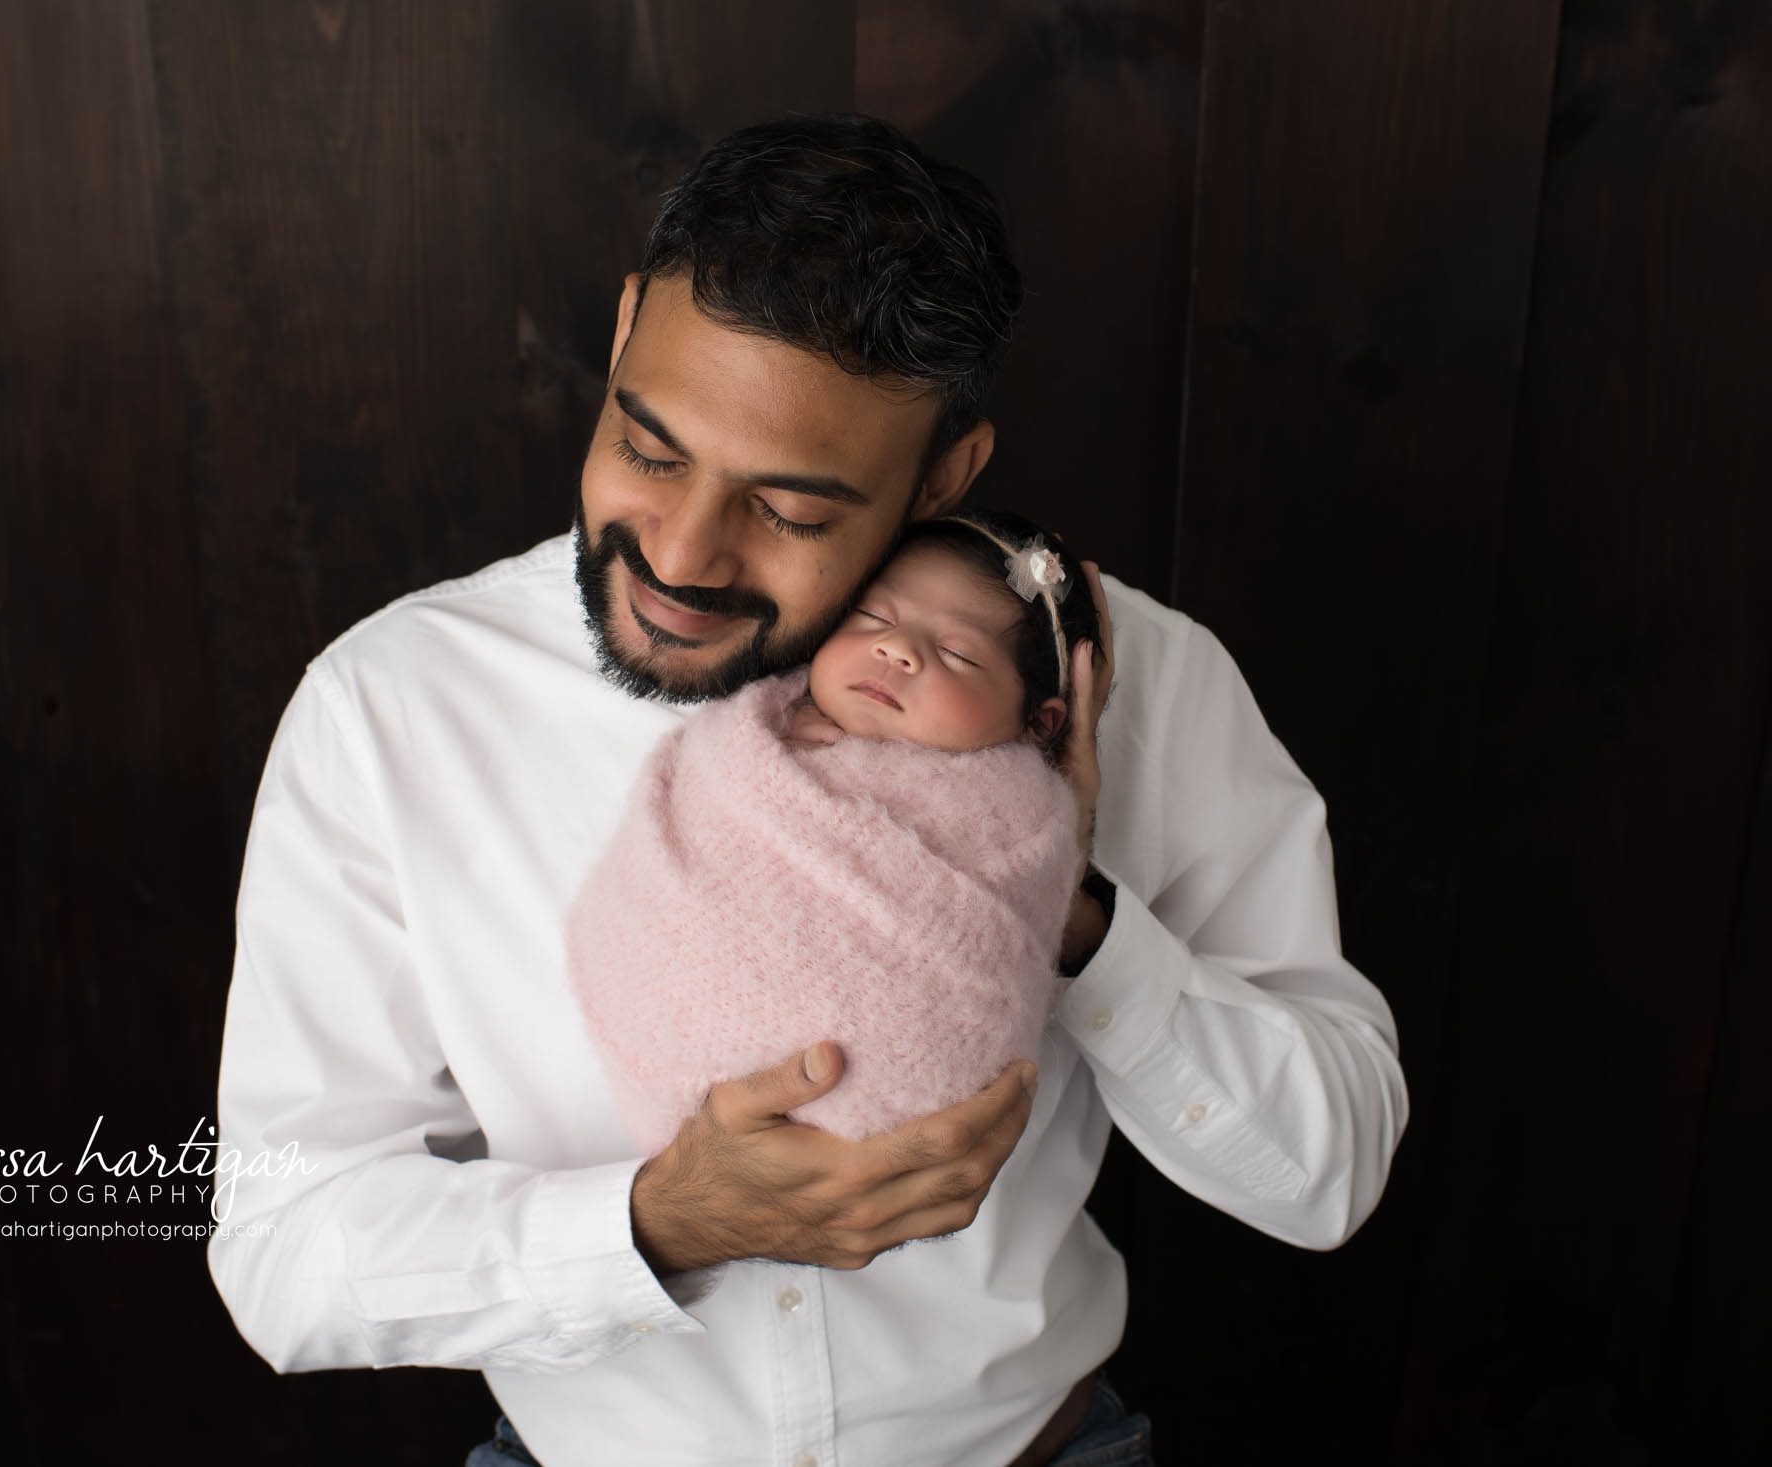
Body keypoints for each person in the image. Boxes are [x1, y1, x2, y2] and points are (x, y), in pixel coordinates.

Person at [206, 112, 1409, 1467]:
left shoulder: (1121, 679)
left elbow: (1333, 1169)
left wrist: (1067, 911)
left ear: (945, 474)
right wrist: (657, 1223)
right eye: (650, 447)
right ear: (618, 339)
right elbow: (284, 1249)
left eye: (789, 509)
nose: (679, 550)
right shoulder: (396, 708)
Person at [567, 510, 1108, 1163]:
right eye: (873, 619)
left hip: (897, 1124)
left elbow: (1007, 937)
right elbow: (685, 830)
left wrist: (1066, 864)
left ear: (1038, 723)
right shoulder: (755, 728)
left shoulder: (1021, 814)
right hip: (663, 1076)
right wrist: (762, 748)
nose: (897, 648)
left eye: (960, 653)